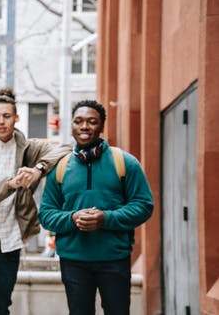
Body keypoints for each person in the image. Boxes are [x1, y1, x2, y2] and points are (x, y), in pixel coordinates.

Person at [38, 100, 154, 315]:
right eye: (78, 121)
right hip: (74, 262)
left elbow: (144, 205)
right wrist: (72, 218)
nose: (84, 126)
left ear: (101, 127)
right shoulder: (60, 167)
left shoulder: (125, 162)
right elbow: (46, 214)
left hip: (114, 259)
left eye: (92, 121)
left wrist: (106, 218)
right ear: (71, 126)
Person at [0, 87, 71, 315]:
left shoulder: (28, 147)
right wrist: (10, 184)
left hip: (11, 243)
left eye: (6, 116)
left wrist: (38, 170)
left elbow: (65, 148)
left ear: (16, 117)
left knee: (2, 308)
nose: (1, 121)